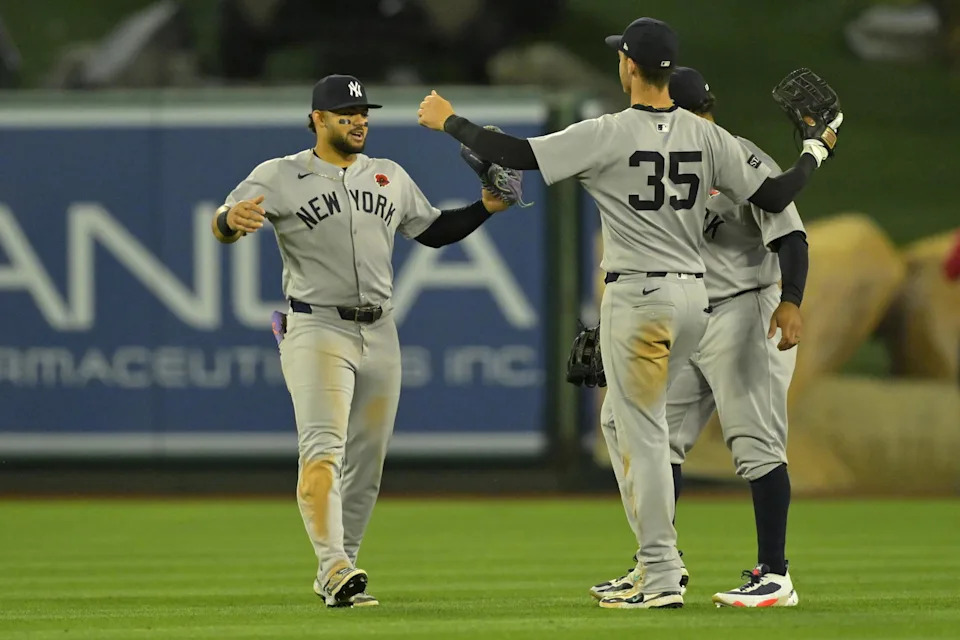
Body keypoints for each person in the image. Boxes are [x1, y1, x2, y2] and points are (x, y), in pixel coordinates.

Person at [417, 17, 842, 609]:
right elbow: (776, 194)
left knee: (645, 431)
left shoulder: (609, 132)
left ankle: (671, 573)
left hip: (651, 297)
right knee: (627, 424)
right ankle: (656, 562)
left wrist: (450, 122)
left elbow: (517, 153)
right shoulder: (708, 139)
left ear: (629, 67)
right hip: (692, 299)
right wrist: (815, 150)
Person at [212, 74, 512, 608]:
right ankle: (333, 566)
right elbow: (224, 223)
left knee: (367, 462)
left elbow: (433, 231)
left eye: (363, 112)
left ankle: (341, 570)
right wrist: (230, 220)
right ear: (317, 120)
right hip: (316, 327)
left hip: (380, 329)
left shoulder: (388, 176)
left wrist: (485, 208)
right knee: (323, 451)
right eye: (345, 113)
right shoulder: (279, 174)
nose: (358, 121)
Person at [589, 67, 807, 608]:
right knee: (640, 432)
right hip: (686, 314)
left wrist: (792, 301)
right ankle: (658, 564)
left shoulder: (738, 156)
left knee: (755, 442)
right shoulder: (669, 154)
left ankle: (775, 574)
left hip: (743, 308)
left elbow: (791, 232)